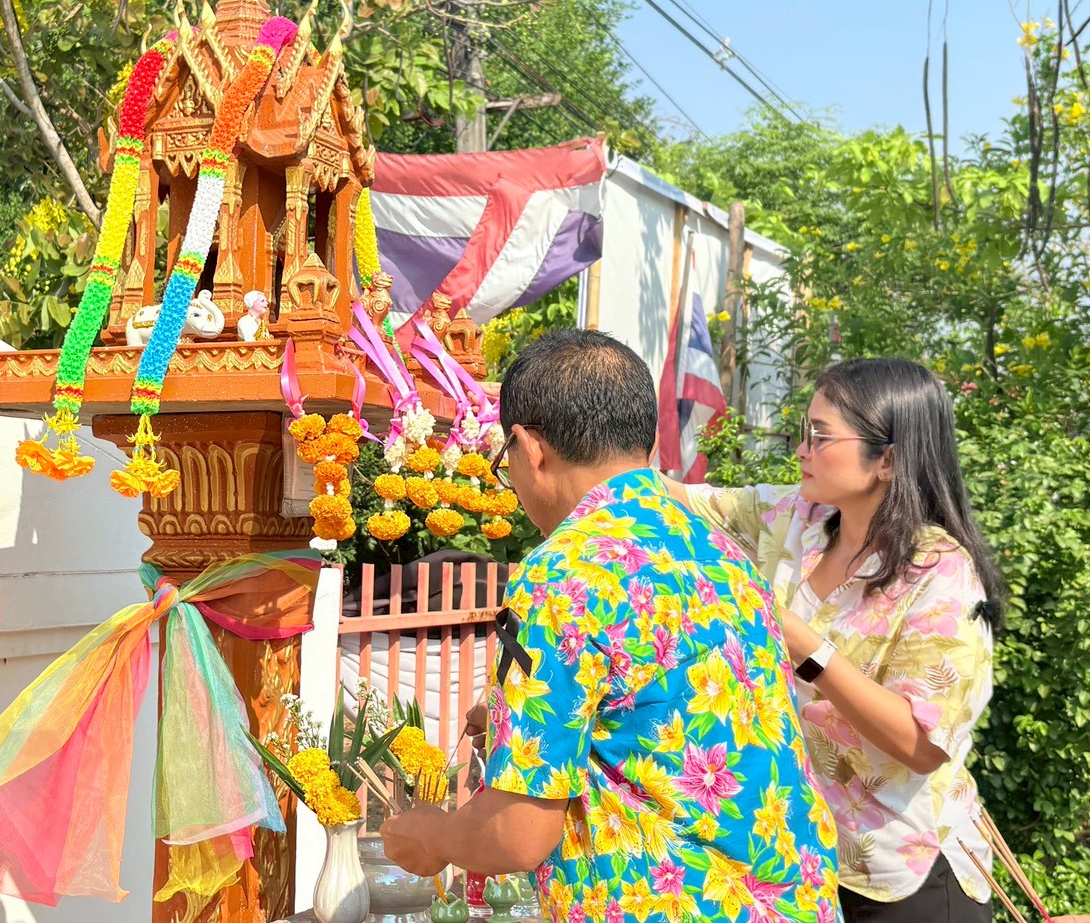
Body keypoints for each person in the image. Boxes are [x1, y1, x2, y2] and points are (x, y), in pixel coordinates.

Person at [381, 329, 839, 923]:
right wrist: (508, 718)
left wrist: (432, 835)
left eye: (505, 463)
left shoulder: (563, 573)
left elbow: (518, 833)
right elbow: (666, 716)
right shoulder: (720, 550)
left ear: (528, 448)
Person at [674, 358, 1005, 923]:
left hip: (905, 877)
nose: (801, 449)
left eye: (820, 436)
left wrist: (803, 645)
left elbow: (922, 744)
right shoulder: (794, 519)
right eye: (804, 431)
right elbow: (678, 501)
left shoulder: (939, 573)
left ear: (889, 459)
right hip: (802, 861)